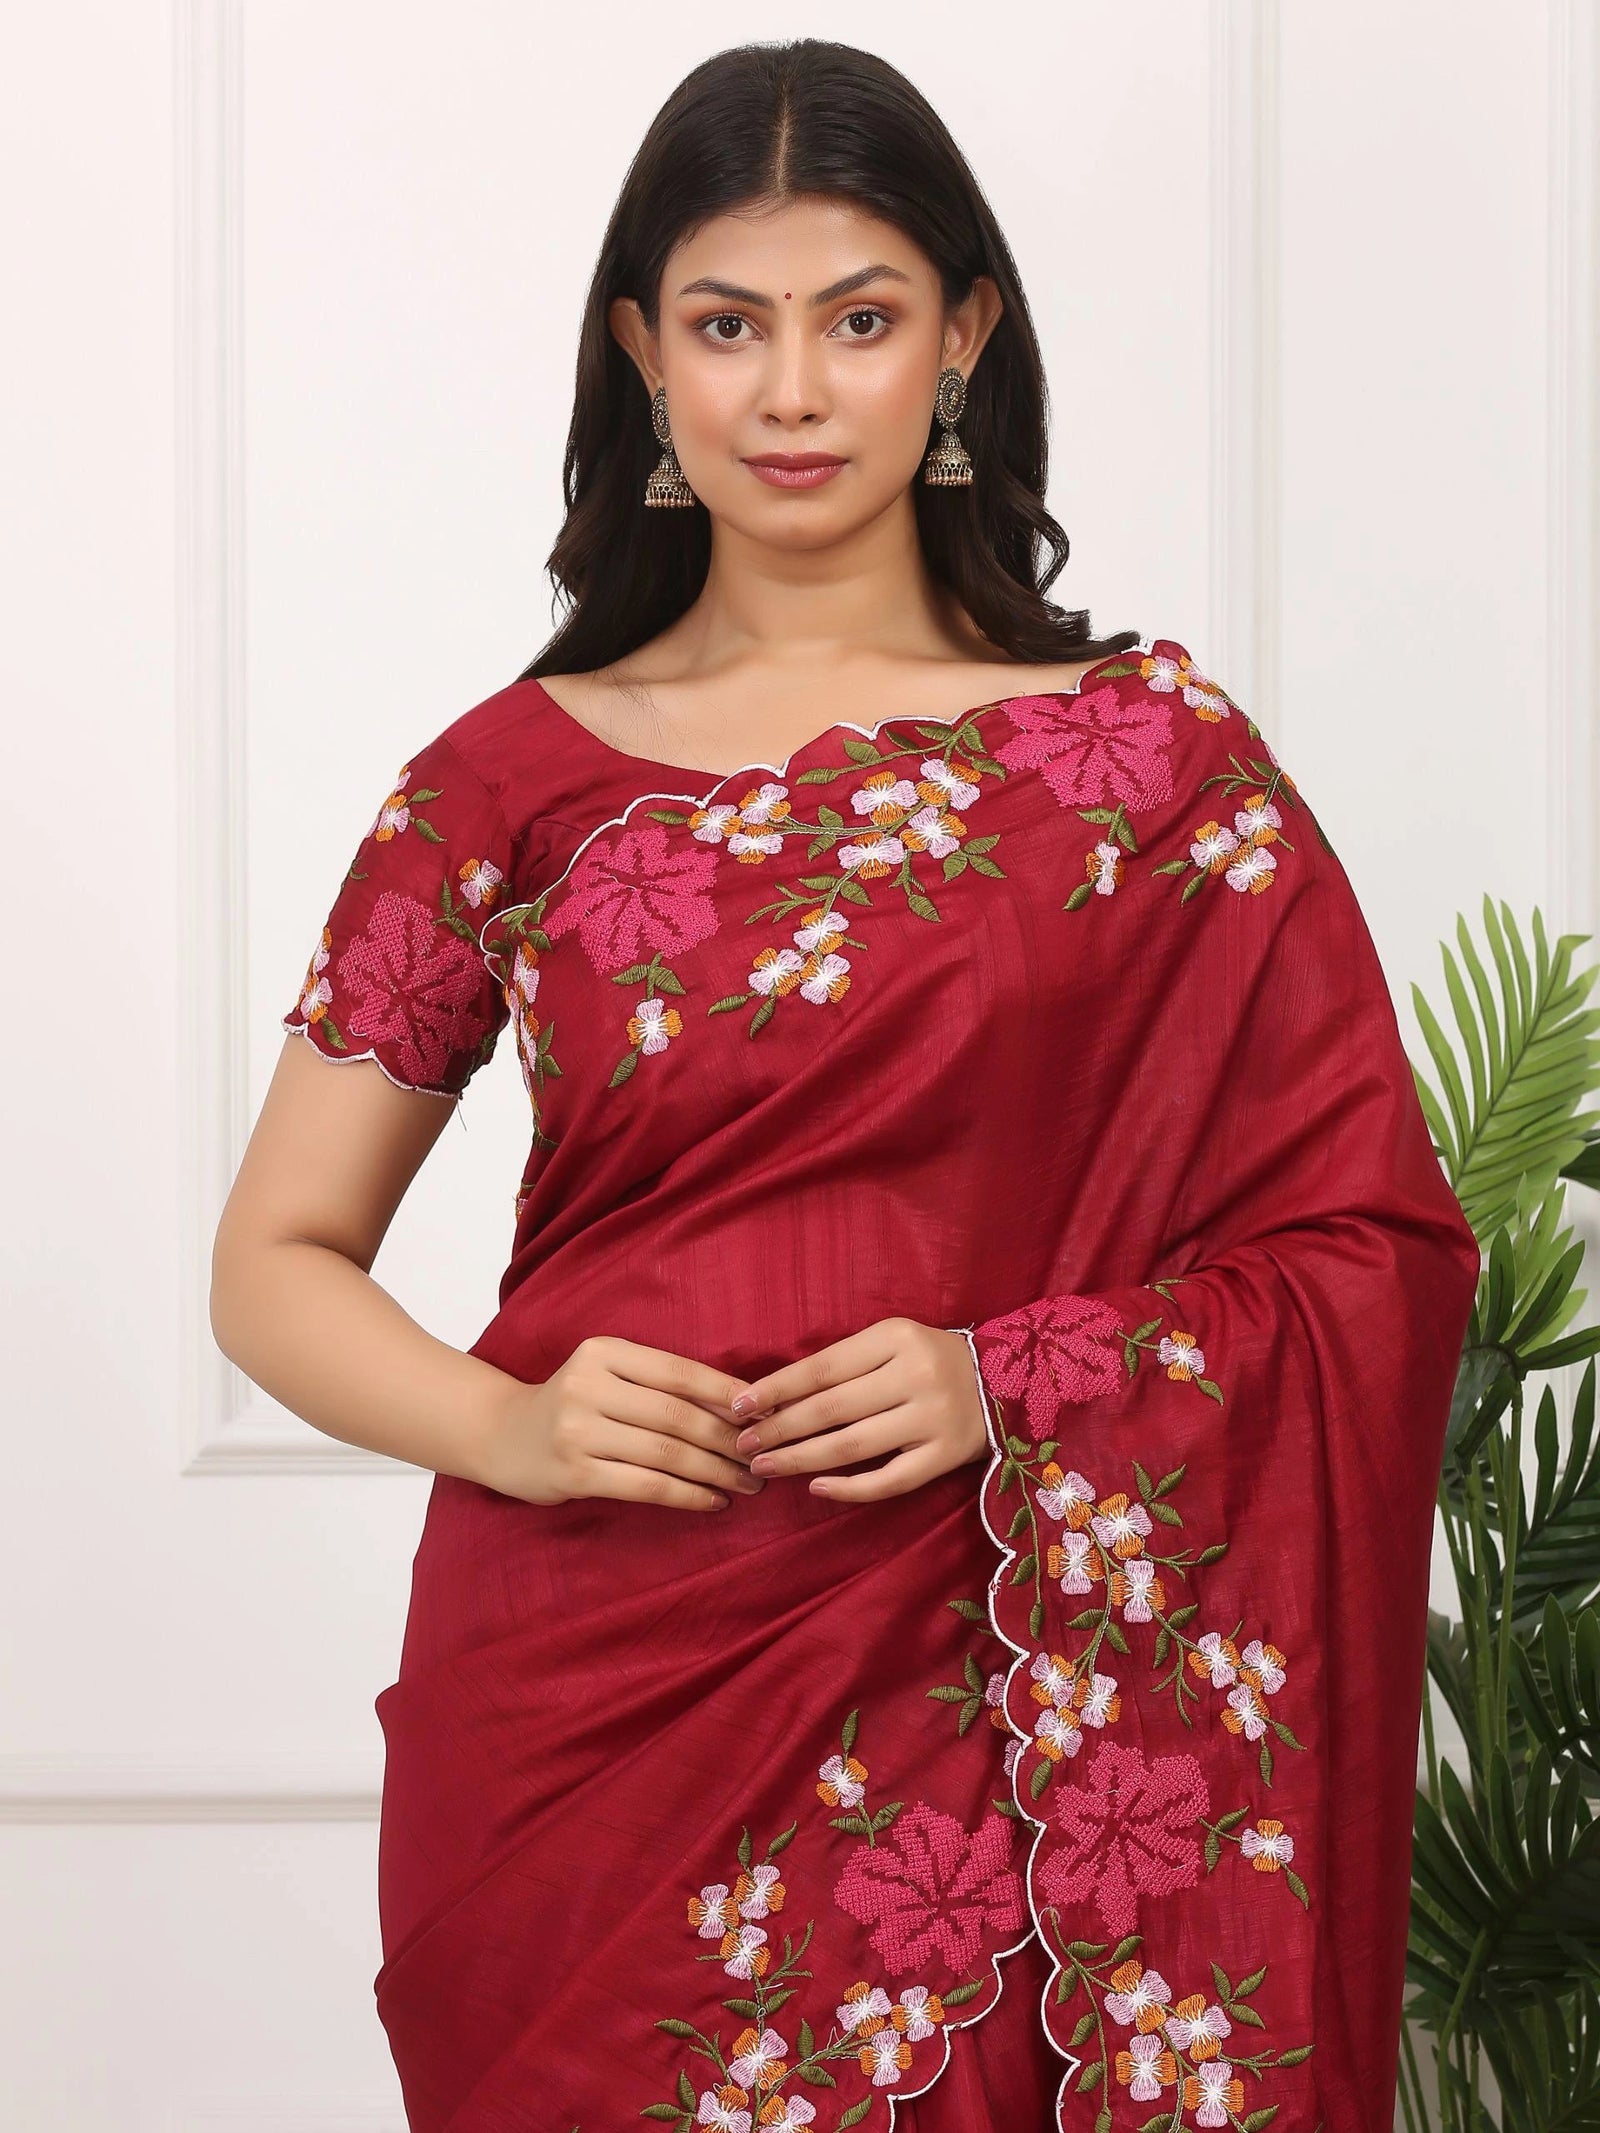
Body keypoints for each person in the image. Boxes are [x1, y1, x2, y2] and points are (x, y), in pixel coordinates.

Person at [209, 37, 1481, 2133]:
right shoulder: (498, 786)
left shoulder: (1150, 774)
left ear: (960, 338)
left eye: (858, 319)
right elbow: (275, 1257)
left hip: (999, 1685)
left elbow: (1369, 1249)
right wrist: (510, 1421)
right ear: (640, 353)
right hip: (588, 1704)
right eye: (726, 324)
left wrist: (1023, 1382)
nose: (789, 393)